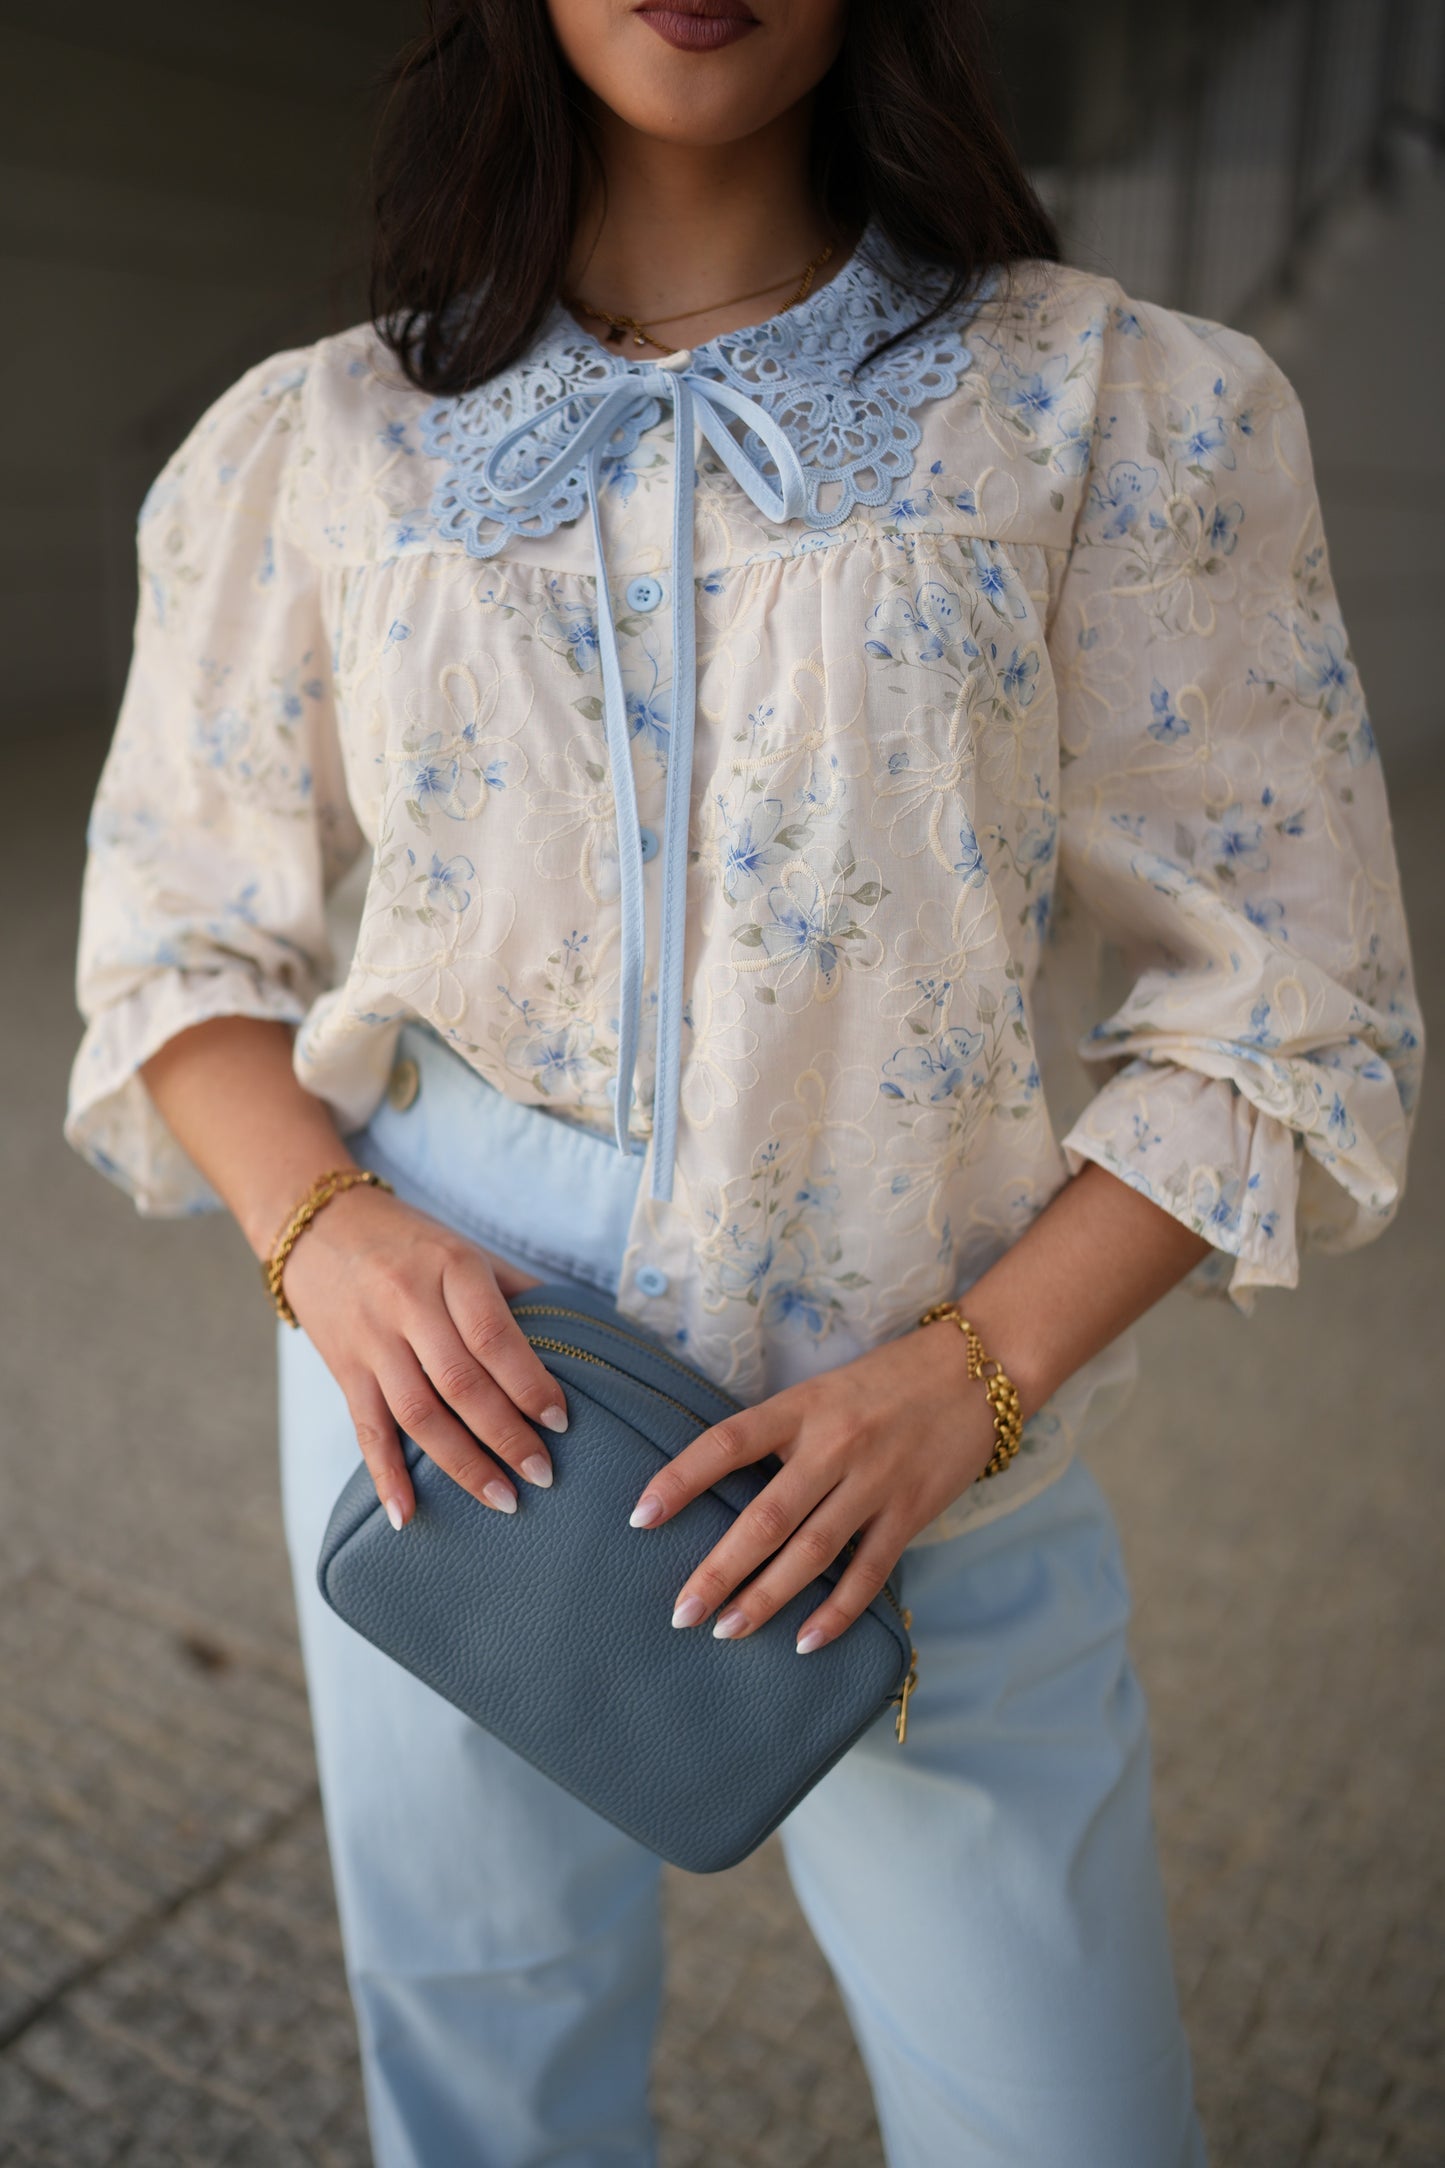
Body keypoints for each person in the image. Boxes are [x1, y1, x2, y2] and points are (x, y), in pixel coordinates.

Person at [66, 1, 1423, 2162]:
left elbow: (1290, 1002)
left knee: (1069, 2123)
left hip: (937, 1433)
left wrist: (964, 1386)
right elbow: (173, 941)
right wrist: (325, 1238)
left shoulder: (1108, 403)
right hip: (447, 1428)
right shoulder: (321, 441)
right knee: (489, 2098)